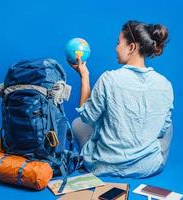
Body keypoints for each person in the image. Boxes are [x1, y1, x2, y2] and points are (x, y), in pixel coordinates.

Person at [69, 20, 174, 178]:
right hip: (148, 167)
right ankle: (142, 155)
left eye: (119, 43)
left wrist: (85, 76)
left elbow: (86, 118)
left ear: (131, 47)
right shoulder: (165, 85)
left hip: (102, 165)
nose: (116, 48)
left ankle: (110, 153)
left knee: (78, 123)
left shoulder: (108, 79)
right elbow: (161, 130)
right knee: (168, 125)